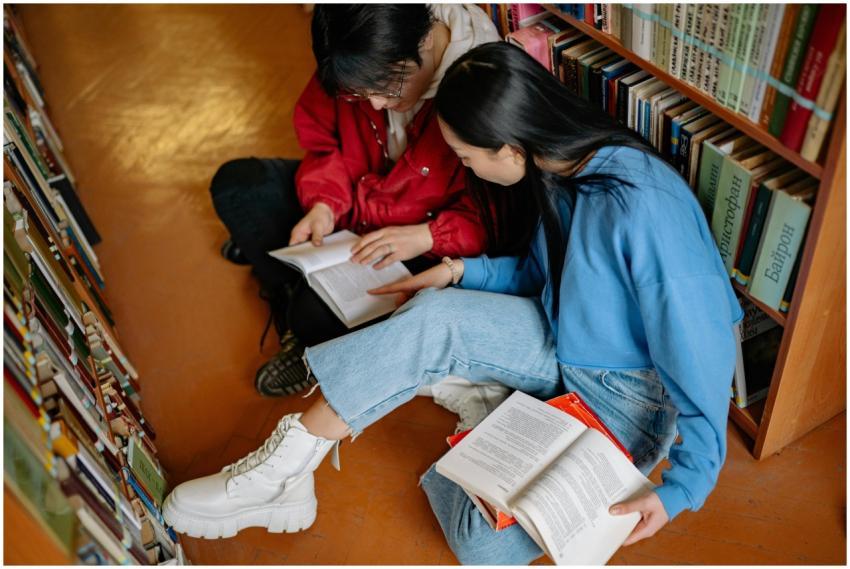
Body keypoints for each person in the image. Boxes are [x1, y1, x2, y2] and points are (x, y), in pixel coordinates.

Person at [164, 42, 743, 564]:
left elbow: (703, 345)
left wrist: (684, 488)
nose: (467, 170)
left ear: (508, 146)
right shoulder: (555, 166)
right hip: (556, 337)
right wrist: (460, 270)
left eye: (467, 158)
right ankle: (283, 470)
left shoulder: (642, 205)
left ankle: (510, 420)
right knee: (436, 317)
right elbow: (552, 277)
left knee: (478, 543)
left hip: (628, 396)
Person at [209, 4, 500, 397]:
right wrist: (324, 204)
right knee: (236, 185)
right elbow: (324, 143)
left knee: (313, 314)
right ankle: (292, 289)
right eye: (360, 94)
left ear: (426, 40)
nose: (376, 104)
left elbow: (498, 214)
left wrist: (429, 235)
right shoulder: (353, 52)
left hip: (419, 241)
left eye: (388, 85)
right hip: (353, 208)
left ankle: (293, 306)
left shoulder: (481, 87)